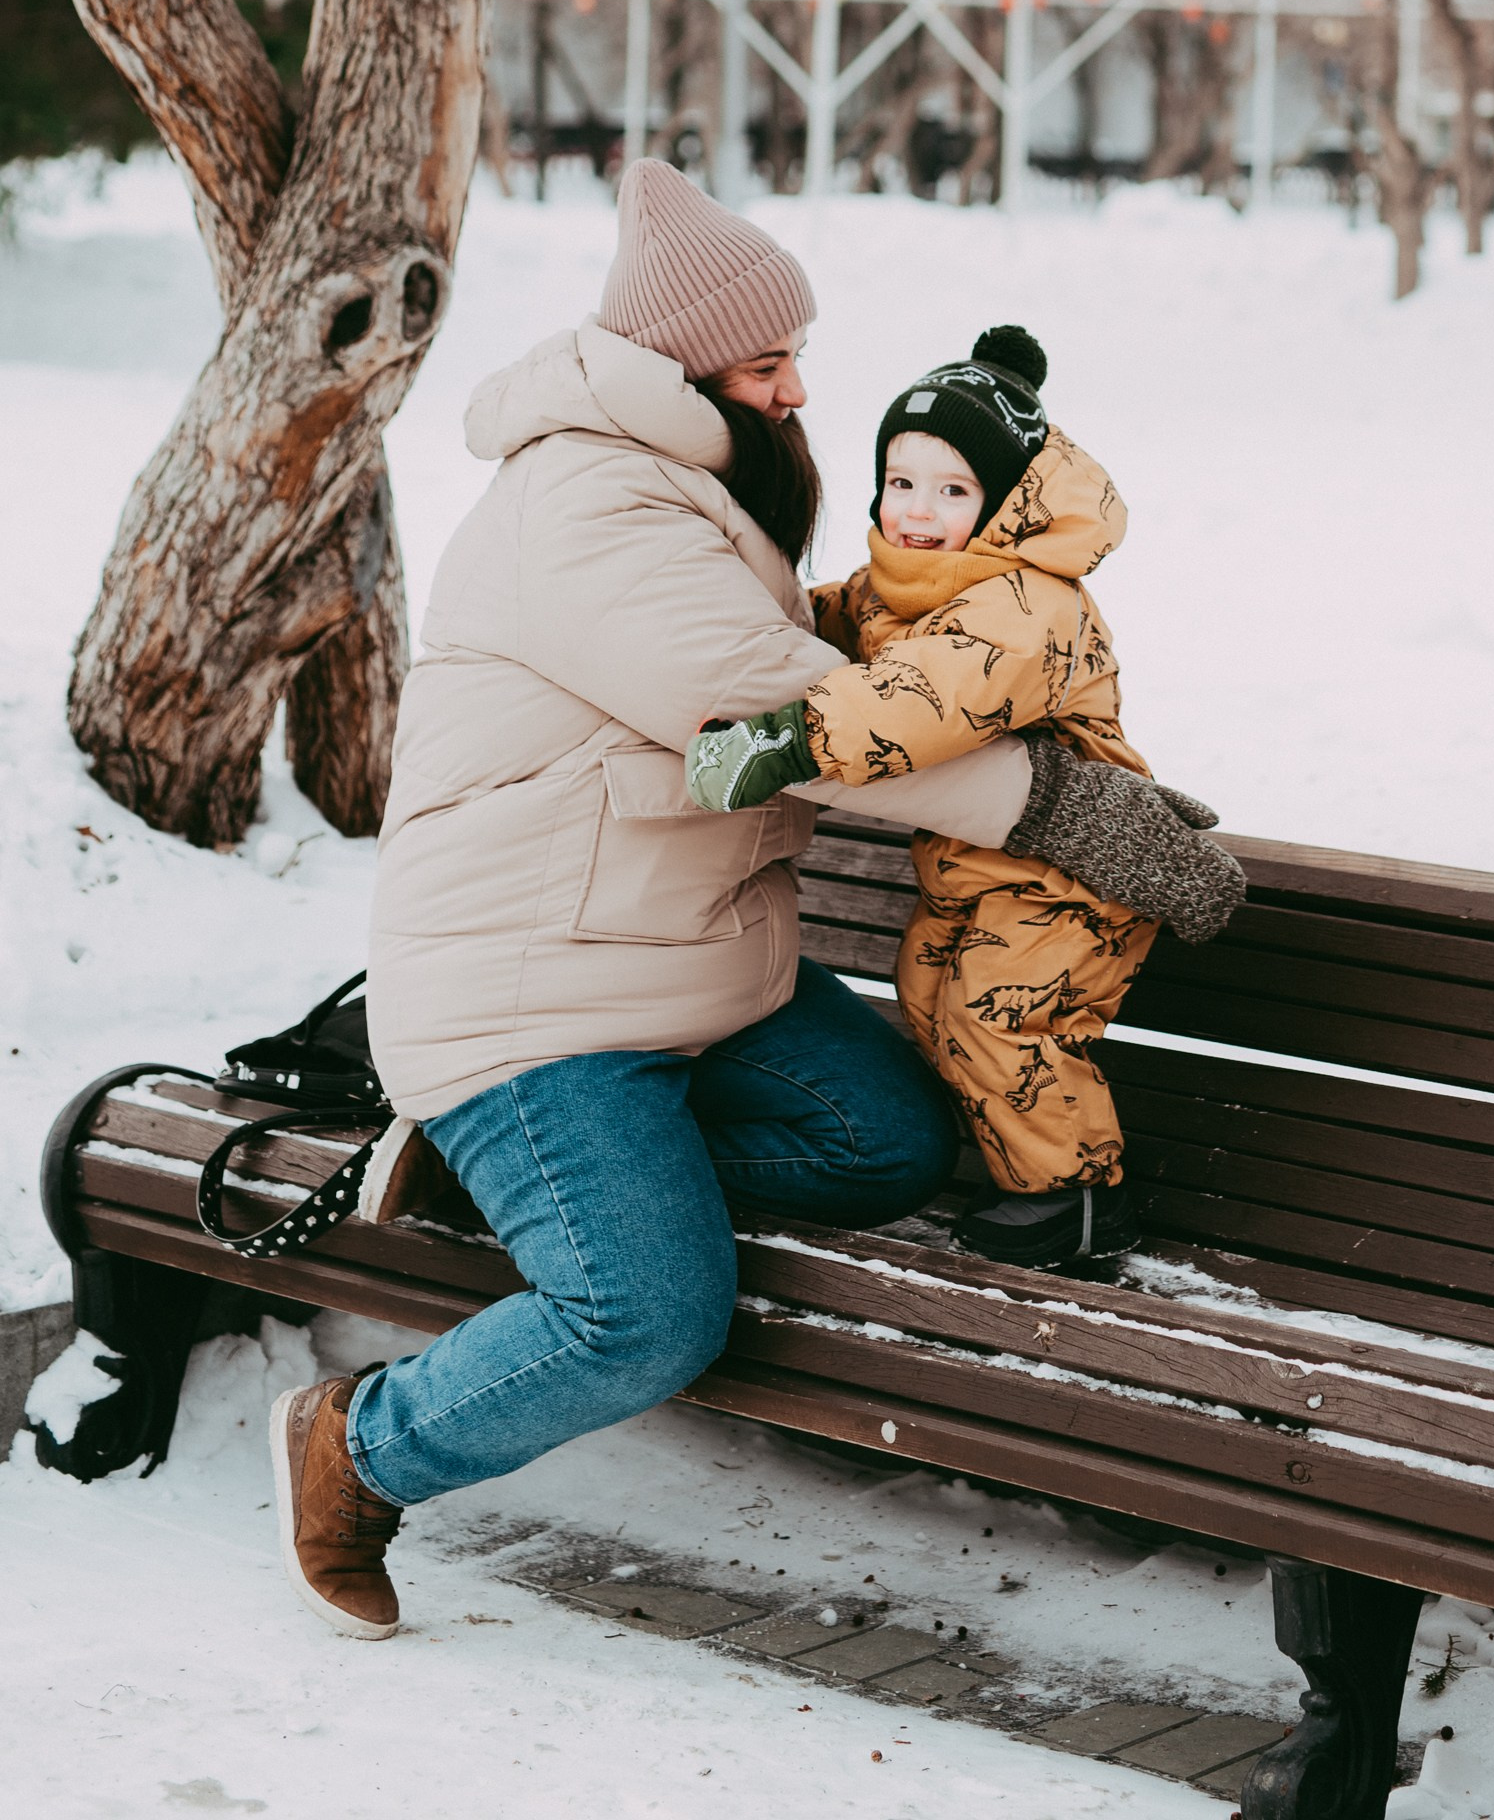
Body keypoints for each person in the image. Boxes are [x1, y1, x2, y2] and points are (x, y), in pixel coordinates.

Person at [272, 162, 1237, 1643]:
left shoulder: (684, 482)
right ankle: (361, 1446)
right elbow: (799, 712)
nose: (796, 392)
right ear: (674, 364)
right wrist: (1058, 805)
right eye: (765, 361)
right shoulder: (589, 510)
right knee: (649, 1314)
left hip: (690, 971)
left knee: (886, 1141)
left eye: (795, 357)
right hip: (538, 1000)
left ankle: (549, 1188)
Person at [688, 325, 1221, 1270]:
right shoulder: (907, 582)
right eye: (901, 482)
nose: (918, 512)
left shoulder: (1025, 604)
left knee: (1004, 1018)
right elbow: (830, 622)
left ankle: (1076, 1202)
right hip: (979, 872)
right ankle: (1025, 1173)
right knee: (933, 998)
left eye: (953, 491)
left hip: (1069, 873)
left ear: (1006, 503)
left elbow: (922, 698)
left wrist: (785, 740)